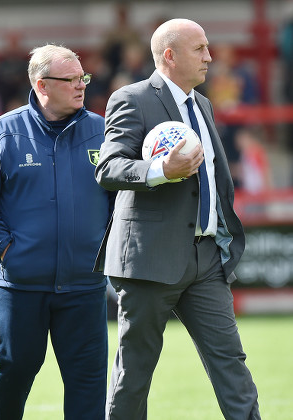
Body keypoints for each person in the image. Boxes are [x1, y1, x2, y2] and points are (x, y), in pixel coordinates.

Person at [95, 19, 261, 420]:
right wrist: (160, 171)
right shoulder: (132, 98)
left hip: (205, 260)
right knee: (134, 372)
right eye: (200, 48)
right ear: (169, 56)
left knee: (231, 365)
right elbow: (109, 168)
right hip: (149, 261)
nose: (210, 57)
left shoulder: (201, 103)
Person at [0, 44, 115, 420]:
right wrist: (8, 251)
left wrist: (104, 248)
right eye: (71, 79)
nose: (81, 86)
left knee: (88, 383)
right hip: (19, 286)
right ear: (42, 84)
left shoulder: (104, 131)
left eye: (84, 78)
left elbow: (122, 198)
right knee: (13, 372)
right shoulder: (0, 134)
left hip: (85, 285)